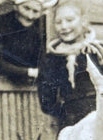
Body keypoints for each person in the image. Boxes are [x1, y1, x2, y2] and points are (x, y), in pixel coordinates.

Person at [38, 0, 103, 128]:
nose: (63, 26)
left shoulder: (97, 51)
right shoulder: (52, 58)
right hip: (70, 121)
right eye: (58, 22)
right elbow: (46, 100)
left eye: (69, 20)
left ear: (83, 21)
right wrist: (66, 113)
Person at [0, 0, 54, 82]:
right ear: (15, 6)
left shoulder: (37, 30)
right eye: (26, 8)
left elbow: (41, 60)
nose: (30, 16)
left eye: (35, 11)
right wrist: (29, 72)